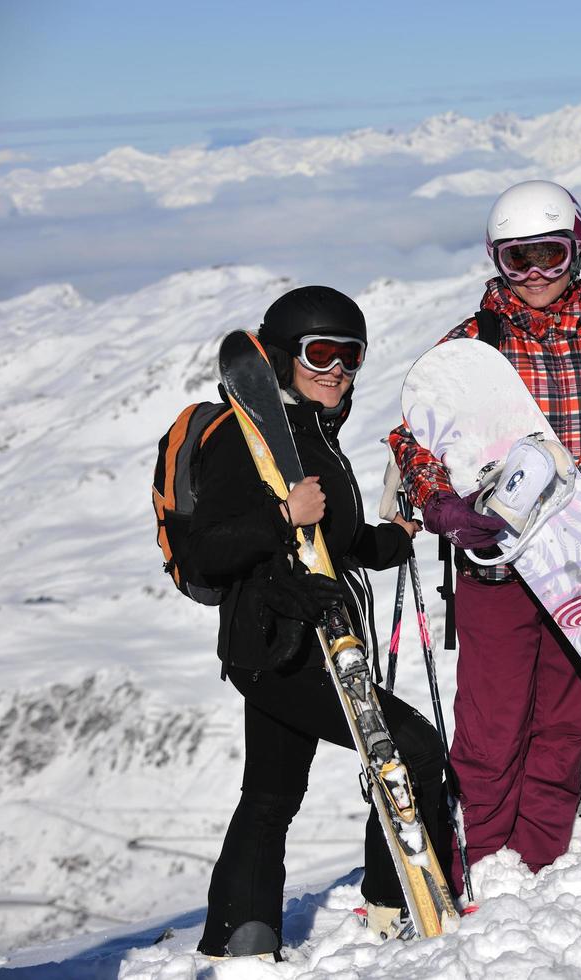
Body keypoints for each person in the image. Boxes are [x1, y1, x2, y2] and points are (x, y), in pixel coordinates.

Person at [388, 180, 581, 883]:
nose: (535, 274)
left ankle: (536, 862)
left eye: (550, 255)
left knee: (566, 725)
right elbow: (414, 440)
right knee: (492, 728)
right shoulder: (474, 345)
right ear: (496, 261)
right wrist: (442, 504)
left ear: (579, 248)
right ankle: (478, 860)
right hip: (498, 566)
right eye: (517, 259)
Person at [191, 285, 450, 958]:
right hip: (281, 651)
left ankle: (242, 939)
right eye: (320, 352)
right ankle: (395, 902)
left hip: (304, 646)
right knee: (414, 751)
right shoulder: (241, 441)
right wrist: (282, 518)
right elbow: (206, 549)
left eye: (350, 355)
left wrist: (387, 540)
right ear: (281, 359)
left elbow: (332, 538)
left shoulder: (313, 435)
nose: (338, 368)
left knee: (271, 796)